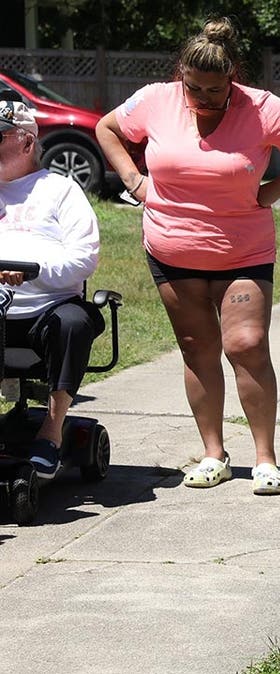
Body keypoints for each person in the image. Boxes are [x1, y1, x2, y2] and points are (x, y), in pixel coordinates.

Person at [95, 17, 280, 495]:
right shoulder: (157, 100)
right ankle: (213, 454)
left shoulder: (260, 107)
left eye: (214, 89)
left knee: (246, 345)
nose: (203, 98)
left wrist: (272, 191)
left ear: (232, 78)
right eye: (194, 88)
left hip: (243, 250)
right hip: (171, 248)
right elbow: (107, 128)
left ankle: (265, 460)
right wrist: (134, 181)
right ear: (181, 74)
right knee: (196, 348)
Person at [0, 100, 103, 479]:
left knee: (73, 322)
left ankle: (52, 431)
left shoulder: (60, 190)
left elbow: (84, 258)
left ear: (27, 142)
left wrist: (32, 273)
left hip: (47, 310)